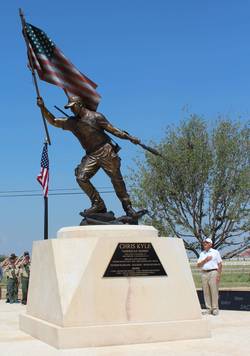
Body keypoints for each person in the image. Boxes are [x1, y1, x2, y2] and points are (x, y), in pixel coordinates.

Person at [37, 96, 141, 217]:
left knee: (116, 180)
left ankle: (128, 207)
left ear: (80, 104)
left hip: (105, 151)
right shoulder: (72, 122)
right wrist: (43, 107)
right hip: (91, 154)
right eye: (69, 108)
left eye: (73, 107)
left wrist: (129, 137)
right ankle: (98, 204)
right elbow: (54, 121)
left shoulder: (96, 117)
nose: (71, 110)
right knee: (81, 177)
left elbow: (114, 130)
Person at [197, 238, 222, 315]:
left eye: (207, 243)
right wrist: (205, 260)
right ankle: (208, 309)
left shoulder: (215, 252)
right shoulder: (202, 254)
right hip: (204, 273)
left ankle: (215, 309)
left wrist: (218, 275)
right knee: (206, 292)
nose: (205, 244)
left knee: (214, 291)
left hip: (213, 272)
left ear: (210, 244)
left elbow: (220, 264)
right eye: (204, 243)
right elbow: (198, 265)